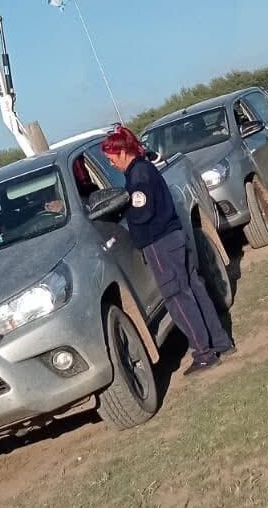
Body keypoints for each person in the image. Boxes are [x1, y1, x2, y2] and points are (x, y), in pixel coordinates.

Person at [100, 124, 235, 374]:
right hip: (173, 237)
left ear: (121, 152)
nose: (111, 164)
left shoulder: (138, 174)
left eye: (110, 159)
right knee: (194, 288)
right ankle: (220, 341)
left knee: (178, 298)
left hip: (159, 242)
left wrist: (123, 209)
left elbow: (142, 211)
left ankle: (204, 352)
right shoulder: (145, 168)